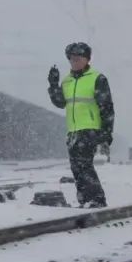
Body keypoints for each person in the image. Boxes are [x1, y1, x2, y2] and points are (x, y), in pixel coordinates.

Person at [48, 42, 115, 208]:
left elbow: (106, 107)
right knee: (76, 167)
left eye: (79, 58)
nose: (75, 61)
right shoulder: (67, 81)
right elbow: (60, 103)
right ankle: (85, 199)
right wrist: (54, 85)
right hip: (73, 131)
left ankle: (96, 199)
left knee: (84, 165)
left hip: (91, 130)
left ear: (87, 59)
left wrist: (106, 133)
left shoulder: (97, 78)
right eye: (72, 59)